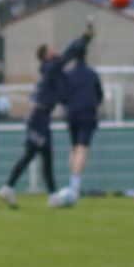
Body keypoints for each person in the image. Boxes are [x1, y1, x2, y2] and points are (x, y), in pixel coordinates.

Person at [0, 29, 91, 208]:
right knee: (30, 154)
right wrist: (85, 38)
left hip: (43, 117)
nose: (56, 50)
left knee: (47, 156)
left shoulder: (53, 70)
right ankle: (8, 187)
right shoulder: (52, 67)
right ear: (47, 55)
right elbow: (70, 53)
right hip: (38, 117)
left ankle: (53, 196)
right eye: (52, 49)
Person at [51, 49, 103, 207]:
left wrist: (70, 105)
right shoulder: (92, 74)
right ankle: (74, 186)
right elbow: (99, 95)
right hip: (87, 114)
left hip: (71, 115)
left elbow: (62, 95)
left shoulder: (68, 74)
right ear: (85, 56)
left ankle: (71, 183)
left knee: (73, 148)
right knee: (82, 148)